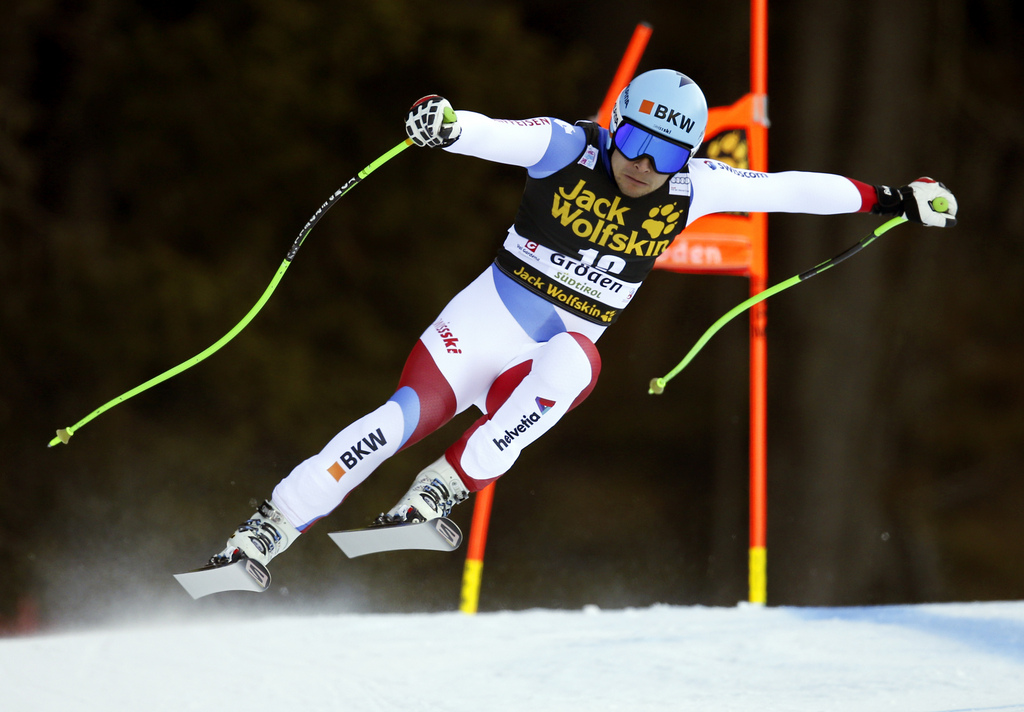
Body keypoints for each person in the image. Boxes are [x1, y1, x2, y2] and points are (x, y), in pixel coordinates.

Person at [203, 69, 957, 571]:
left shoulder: (698, 187)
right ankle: (265, 532)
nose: (641, 166)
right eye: (633, 141)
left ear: (686, 157)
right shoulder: (567, 148)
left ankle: (441, 488)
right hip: (480, 326)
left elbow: (792, 188)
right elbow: (491, 131)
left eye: (663, 156)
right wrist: (443, 124)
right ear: (615, 124)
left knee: (579, 364)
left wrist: (893, 197)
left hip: (545, 357)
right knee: (396, 420)